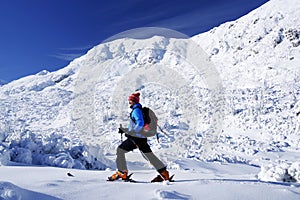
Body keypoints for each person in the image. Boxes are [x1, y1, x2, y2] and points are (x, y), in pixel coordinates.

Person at [108, 92, 170, 182]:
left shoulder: (136, 110)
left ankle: (122, 172)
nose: (129, 102)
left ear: (135, 101)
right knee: (150, 156)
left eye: (131, 101)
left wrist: (132, 132)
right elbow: (135, 126)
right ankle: (164, 173)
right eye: (129, 101)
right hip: (140, 138)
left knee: (120, 150)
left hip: (136, 138)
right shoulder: (138, 110)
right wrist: (125, 130)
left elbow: (139, 123)